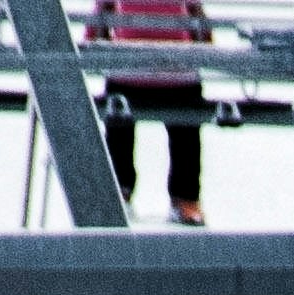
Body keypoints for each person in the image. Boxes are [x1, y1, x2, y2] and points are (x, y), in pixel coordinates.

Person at [88, 0, 209, 224]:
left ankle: (183, 199)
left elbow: (97, 20)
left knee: (183, 133)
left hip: (172, 74)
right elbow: (200, 22)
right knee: (121, 129)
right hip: (134, 73)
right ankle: (123, 192)